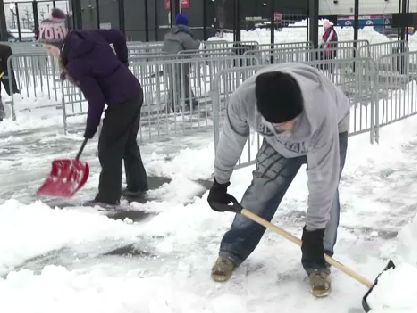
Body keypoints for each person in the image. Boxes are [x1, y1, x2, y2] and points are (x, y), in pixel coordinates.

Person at [207, 63, 350, 297]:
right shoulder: (243, 101)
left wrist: (314, 230)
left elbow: (322, 180)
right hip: (276, 143)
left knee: (327, 194)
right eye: (283, 123)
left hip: (331, 127)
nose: (291, 129)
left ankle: (319, 262)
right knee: (263, 187)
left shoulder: (320, 112)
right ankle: (232, 250)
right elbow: (231, 139)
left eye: (293, 120)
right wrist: (220, 182)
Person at [38, 8, 148, 205]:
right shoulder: (86, 35)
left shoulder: (76, 65)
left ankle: (108, 198)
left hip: (122, 101)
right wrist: (123, 62)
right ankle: (137, 186)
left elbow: (96, 100)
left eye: (48, 47)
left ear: (57, 43)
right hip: (134, 92)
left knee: (108, 147)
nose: (48, 52)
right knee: (128, 143)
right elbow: (117, 35)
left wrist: (90, 128)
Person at [163, 13, 200, 112]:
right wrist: (198, 42)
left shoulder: (169, 34)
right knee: (178, 84)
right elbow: (192, 47)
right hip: (180, 64)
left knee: (182, 81)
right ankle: (173, 105)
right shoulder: (184, 36)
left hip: (169, 62)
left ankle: (190, 99)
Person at [0, 43, 20, 121]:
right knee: (11, 88)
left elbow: (8, 67)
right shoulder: (5, 48)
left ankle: (18, 108)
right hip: (4, 71)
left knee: (11, 89)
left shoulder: (5, 49)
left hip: (4, 71)